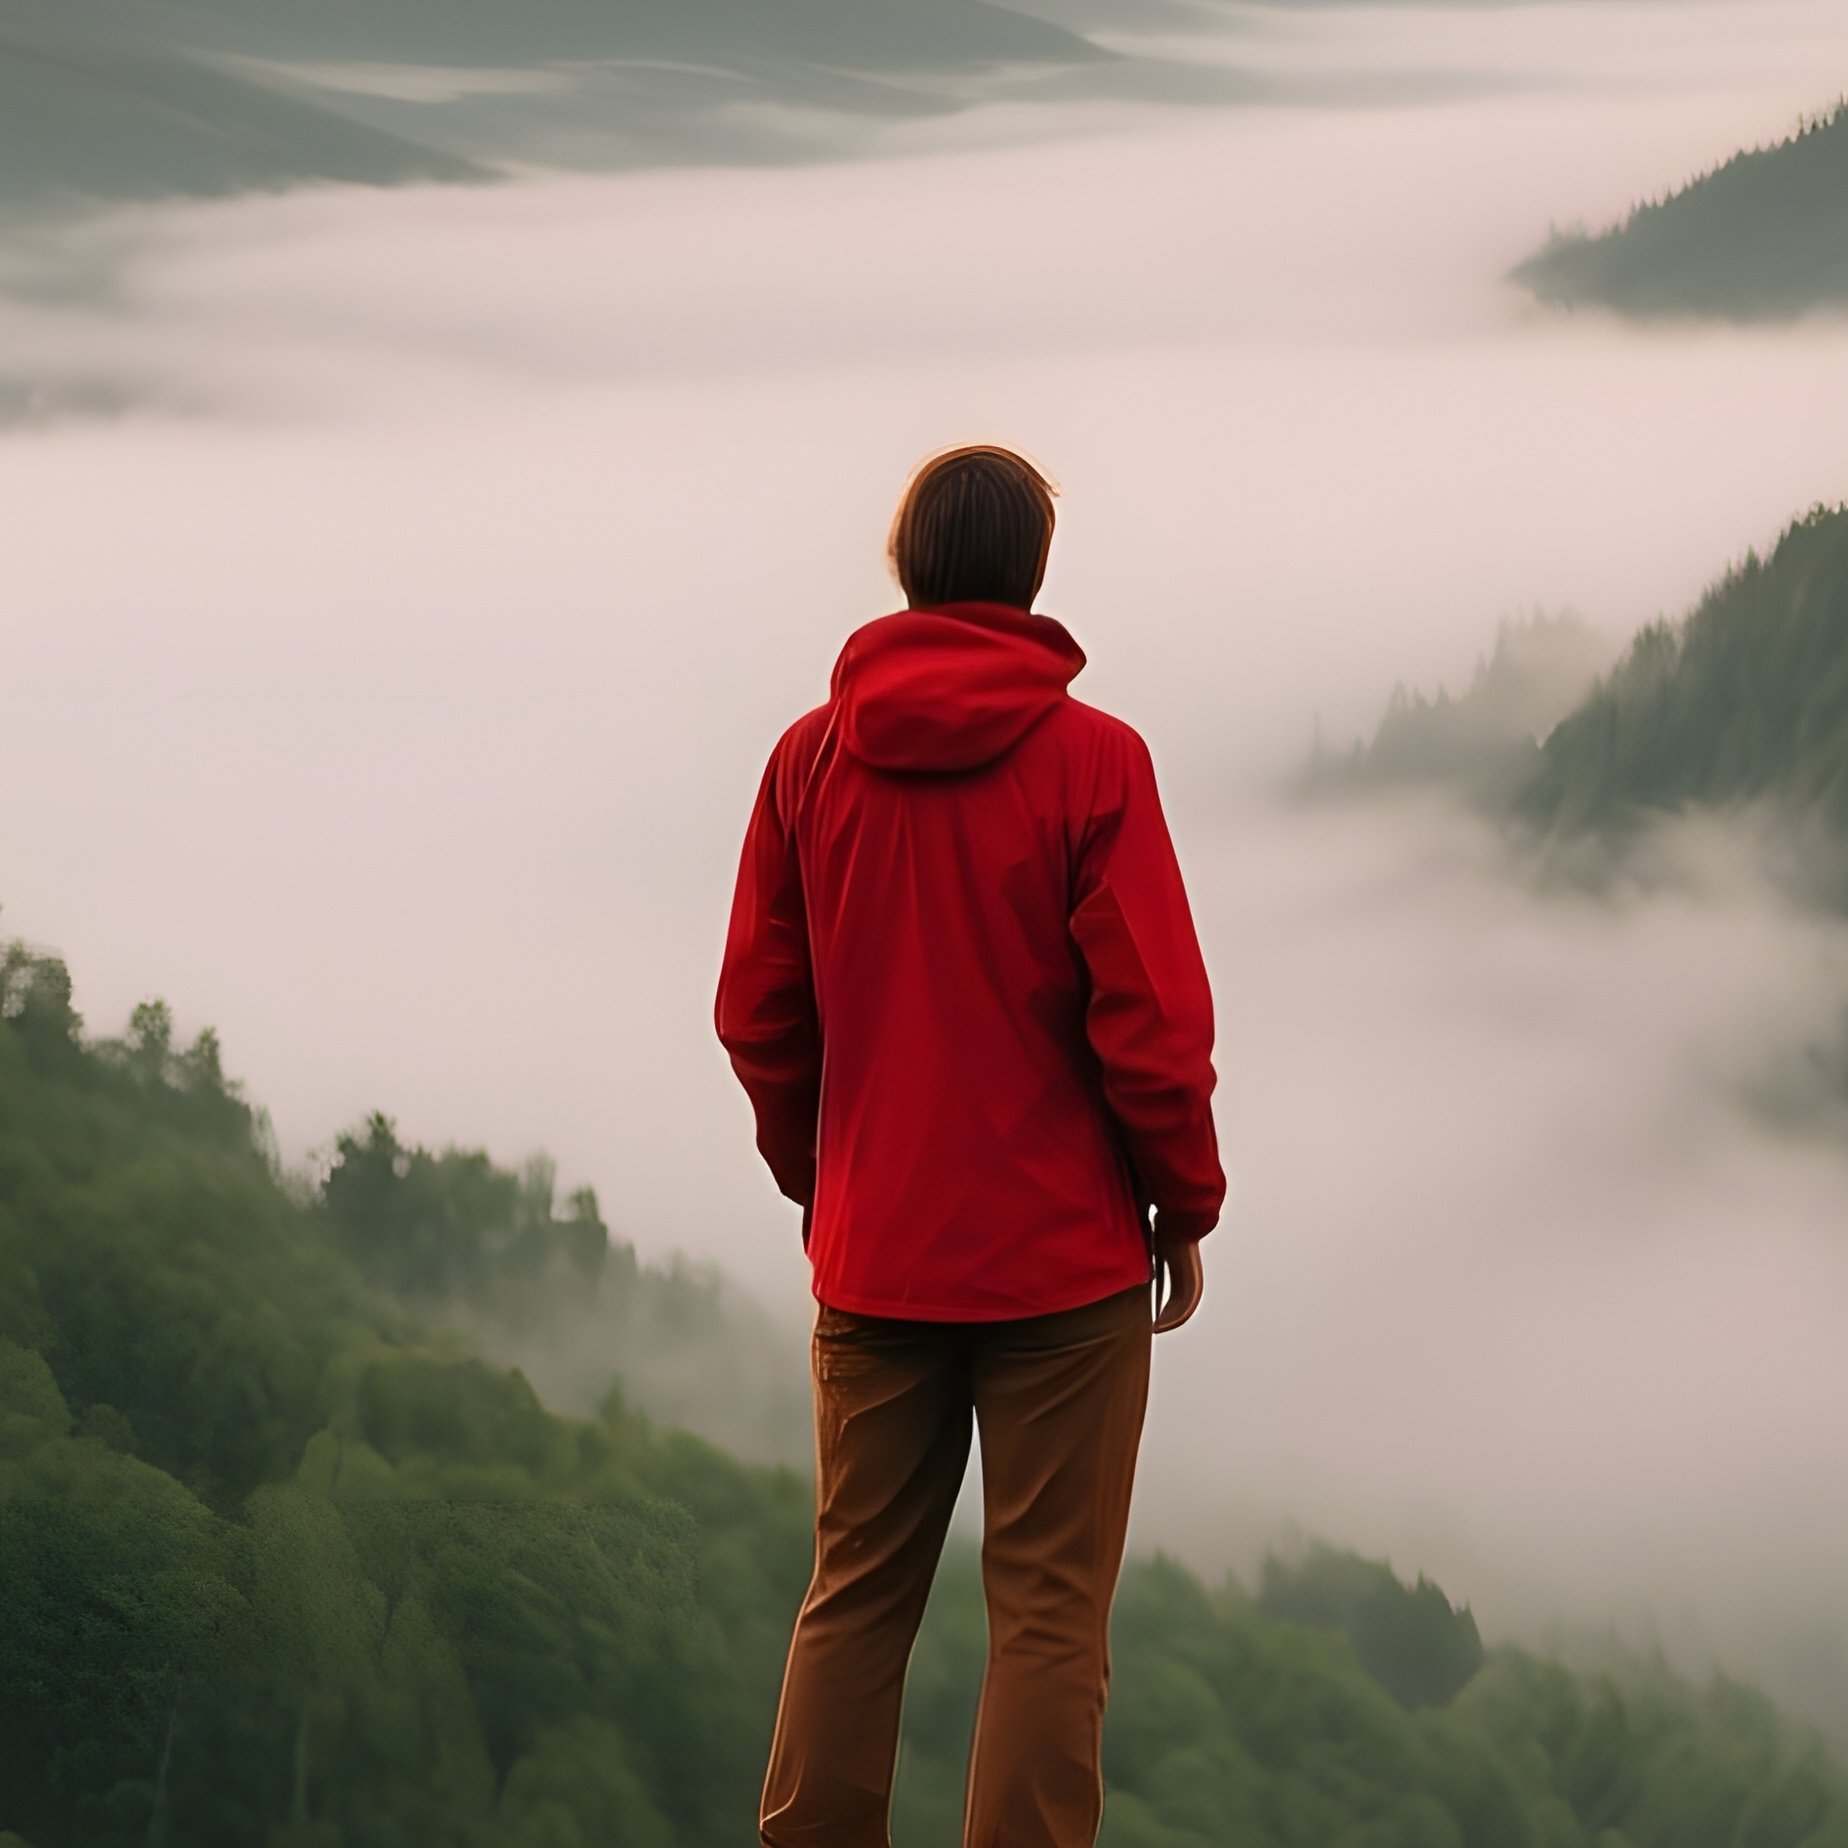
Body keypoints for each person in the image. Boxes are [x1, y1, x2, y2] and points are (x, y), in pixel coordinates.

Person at [714, 442, 1225, 1848]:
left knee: (856, 1597)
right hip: (1062, 1274)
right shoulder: (1095, 765)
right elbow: (1155, 1028)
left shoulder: (808, 762)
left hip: (878, 1261)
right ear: (1033, 574)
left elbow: (756, 1012)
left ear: (906, 564)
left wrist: (829, 1180)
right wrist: (1183, 1202)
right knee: (1051, 1617)